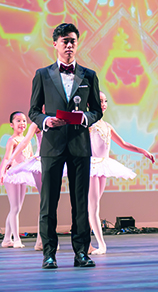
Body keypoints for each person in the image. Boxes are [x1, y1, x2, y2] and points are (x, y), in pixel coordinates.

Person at [29, 22, 103, 269]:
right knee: (48, 202)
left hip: (80, 145)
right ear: (55, 44)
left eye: (73, 41)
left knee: (80, 202)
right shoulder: (42, 74)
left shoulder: (89, 75)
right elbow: (33, 110)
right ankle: (49, 253)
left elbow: (96, 111)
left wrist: (85, 117)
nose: (69, 45)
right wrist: (45, 120)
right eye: (65, 41)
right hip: (52, 145)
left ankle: (81, 253)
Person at [88, 92, 155, 255]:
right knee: (93, 207)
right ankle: (101, 244)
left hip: (103, 166)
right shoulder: (88, 124)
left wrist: (142, 151)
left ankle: (87, 243)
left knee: (92, 207)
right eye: (100, 101)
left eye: (105, 101)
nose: (103, 104)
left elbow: (123, 144)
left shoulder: (107, 126)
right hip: (91, 167)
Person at [0, 112, 38, 248]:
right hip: (12, 175)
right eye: (18, 121)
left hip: (23, 174)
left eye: (24, 121)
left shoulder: (27, 140)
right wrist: (2, 172)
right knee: (15, 208)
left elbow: (30, 157)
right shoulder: (12, 140)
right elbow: (6, 157)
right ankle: (16, 239)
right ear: (12, 125)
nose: (22, 123)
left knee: (16, 208)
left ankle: (6, 239)